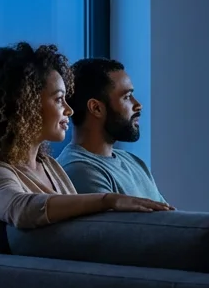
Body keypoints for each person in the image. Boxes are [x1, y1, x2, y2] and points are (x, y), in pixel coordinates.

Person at [0, 42, 171, 229]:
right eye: (58, 99)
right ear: (24, 106)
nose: (69, 109)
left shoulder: (50, 167)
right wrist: (109, 200)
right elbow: (20, 209)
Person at [58, 58, 167, 203]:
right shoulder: (80, 170)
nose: (138, 105)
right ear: (96, 108)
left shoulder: (134, 162)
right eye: (127, 97)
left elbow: (168, 218)